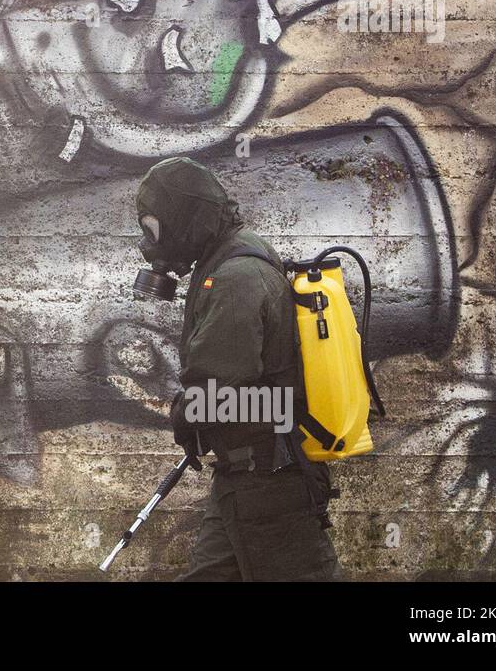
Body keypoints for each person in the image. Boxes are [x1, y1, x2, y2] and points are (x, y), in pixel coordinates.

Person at [136, 156, 342, 581]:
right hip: (245, 480)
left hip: (268, 488)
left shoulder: (235, 277)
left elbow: (214, 392)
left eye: (154, 227)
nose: (151, 242)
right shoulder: (234, 257)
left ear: (186, 217)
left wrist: (184, 416)